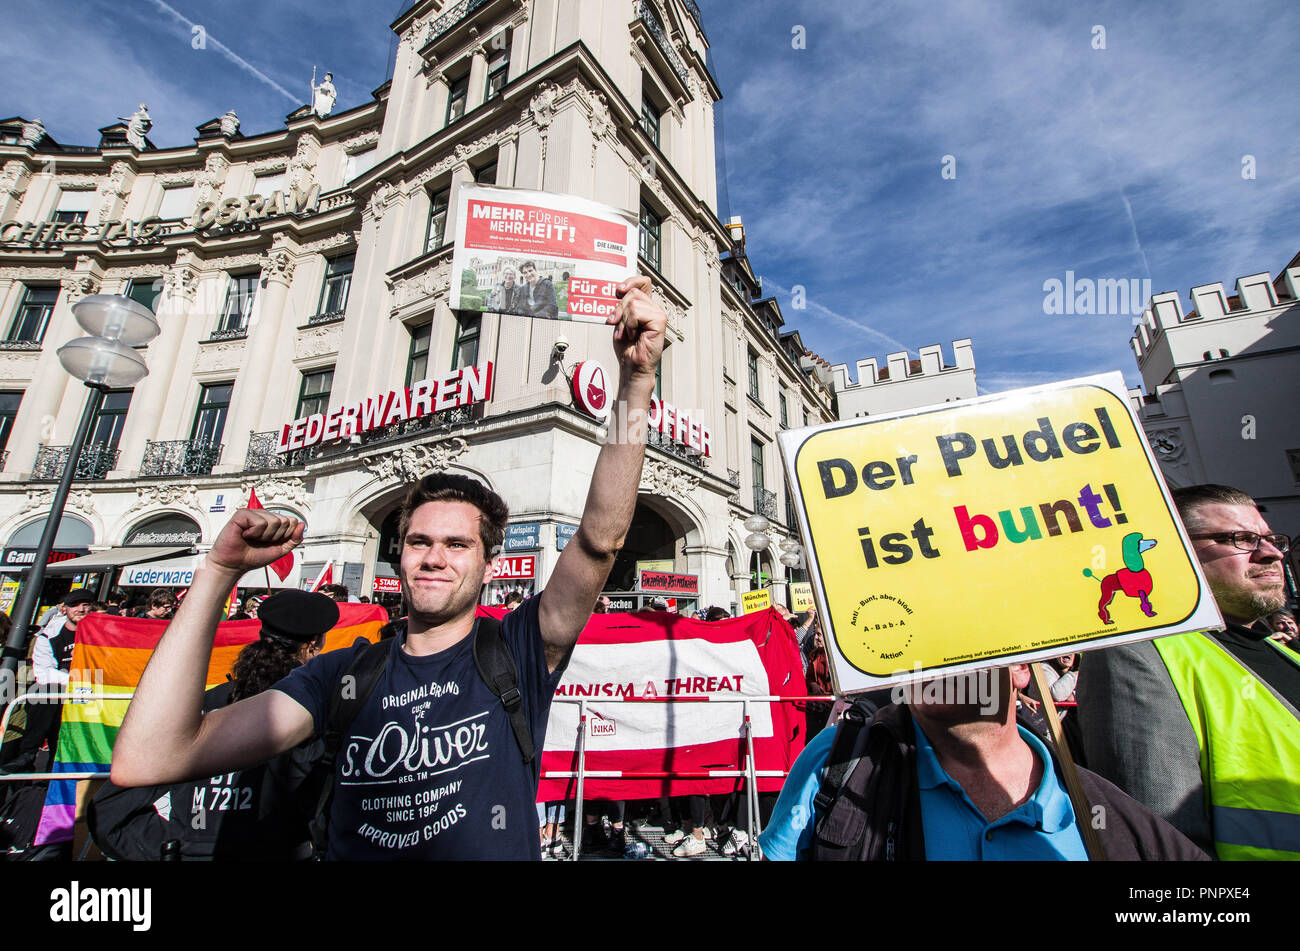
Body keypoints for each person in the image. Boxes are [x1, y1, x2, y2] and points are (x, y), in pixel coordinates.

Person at [110, 276, 666, 861]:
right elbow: (149, 757)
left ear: (489, 560)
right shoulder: (336, 678)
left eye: (457, 544)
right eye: (419, 541)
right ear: (398, 553)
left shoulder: (521, 651)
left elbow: (602, 538)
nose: (433, 558)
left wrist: (636, 383)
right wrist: (218, 572)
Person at [759, 665, 1208, 861]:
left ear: (1020, 671)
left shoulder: (1102, 811)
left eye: (958, 638)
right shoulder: (842, 756)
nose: (932, 658)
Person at [1075, 484, 1300, 860]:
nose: (1272, 553)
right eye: (1242, 539)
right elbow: (1166, 840)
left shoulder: (1277, 649)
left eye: (1272, 538)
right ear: (1177, 551)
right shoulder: (1137, 653)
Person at [89, 590, 337, 860]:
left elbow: (111, 810)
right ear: (314, 644)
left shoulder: (206, 701)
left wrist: (177, 845)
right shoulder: (316, 712)